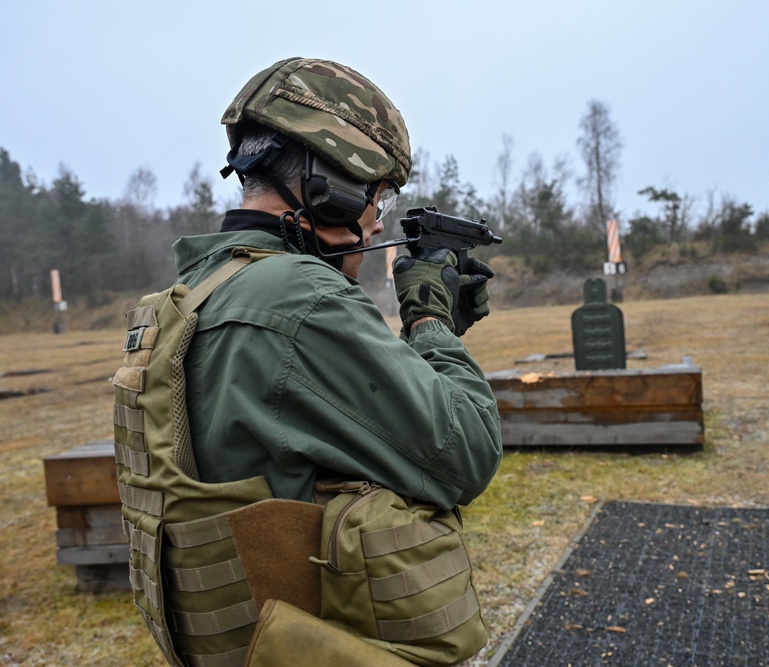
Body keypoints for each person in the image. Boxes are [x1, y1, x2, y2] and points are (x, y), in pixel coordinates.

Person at [114, 57, 502, 666]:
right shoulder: (299, 298)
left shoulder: (188, 298)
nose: (375, 230)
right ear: (333, 189)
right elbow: (466, 450)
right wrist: (431, 322)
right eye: (376, 203)